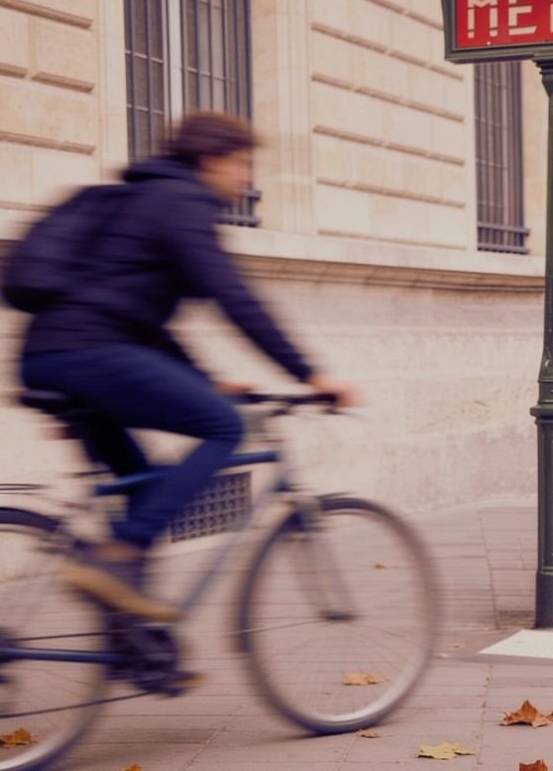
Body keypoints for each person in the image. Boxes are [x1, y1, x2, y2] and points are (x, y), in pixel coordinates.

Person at [20, 112, 356, 623]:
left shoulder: (142, 199)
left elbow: (139, 318)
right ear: (210, 160)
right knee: (225, 426)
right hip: (90, 353)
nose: (247, 178)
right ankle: (118, 559)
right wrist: (310, 373)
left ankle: (133, 638)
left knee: (143, 486)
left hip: (50, 355)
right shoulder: (181, 202)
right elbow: (235, 298)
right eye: (242, 164)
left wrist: (205, 381)